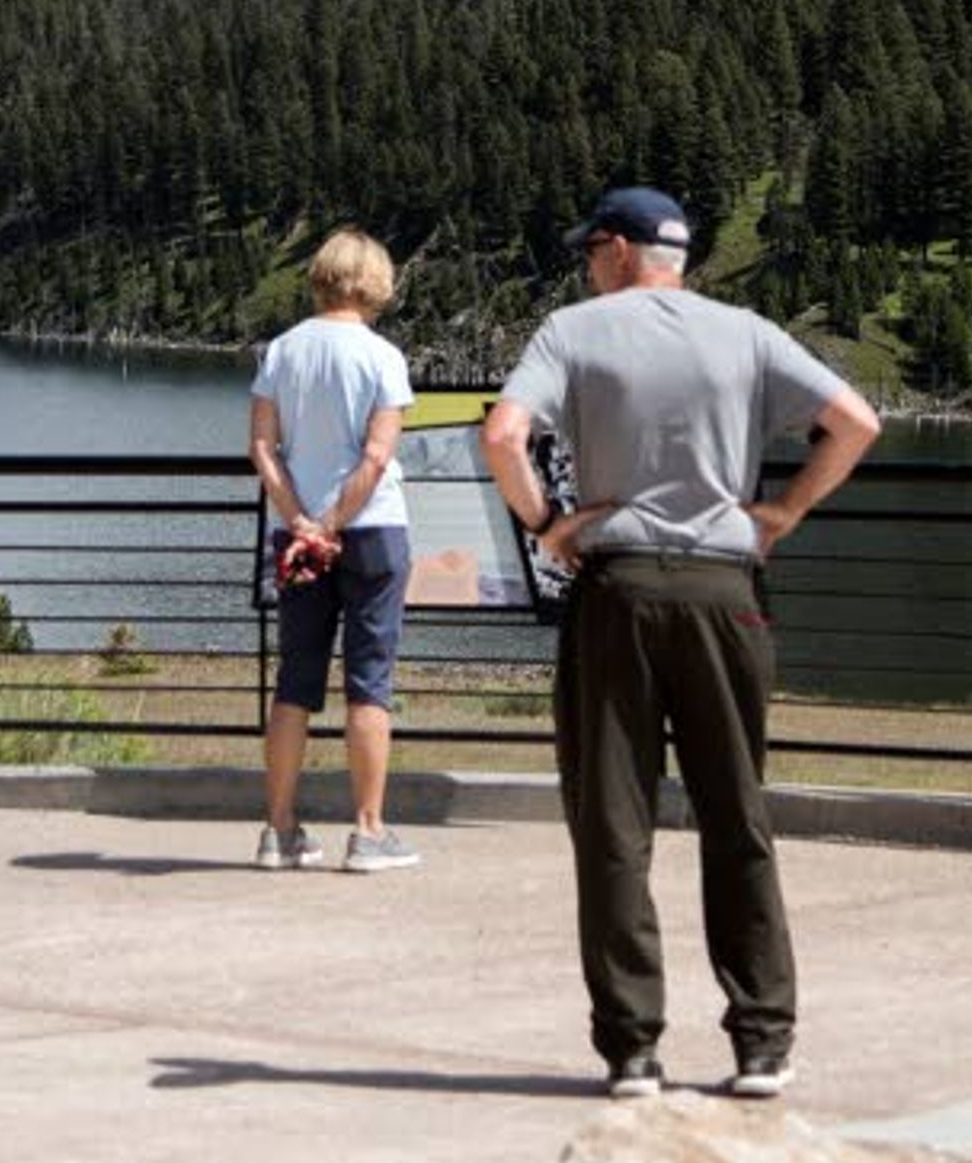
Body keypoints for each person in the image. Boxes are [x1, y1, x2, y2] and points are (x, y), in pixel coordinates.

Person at [479, 185, 882, 1102]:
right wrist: (782, 510)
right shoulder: (744, 330)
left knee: (614, 826)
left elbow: (503, 434)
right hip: (724, 593)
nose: (587, 264)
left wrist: (549, 522)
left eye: (592, 249)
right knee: (736, 814)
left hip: (616, 591)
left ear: (620, 250)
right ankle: (763, 1045)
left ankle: (633, 1051)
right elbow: (856, 421)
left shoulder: (573, 330)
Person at [249, 226, 421, 874]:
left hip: (297, 534)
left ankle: (279, 827)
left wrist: (302, 519)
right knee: (369, 680)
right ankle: (369, 830)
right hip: (373, 529)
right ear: (374, 282)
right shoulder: (383, 357)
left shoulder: (282, 351)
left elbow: (263, 445)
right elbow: (378, 455)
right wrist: (336, 520)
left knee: (295, 679)